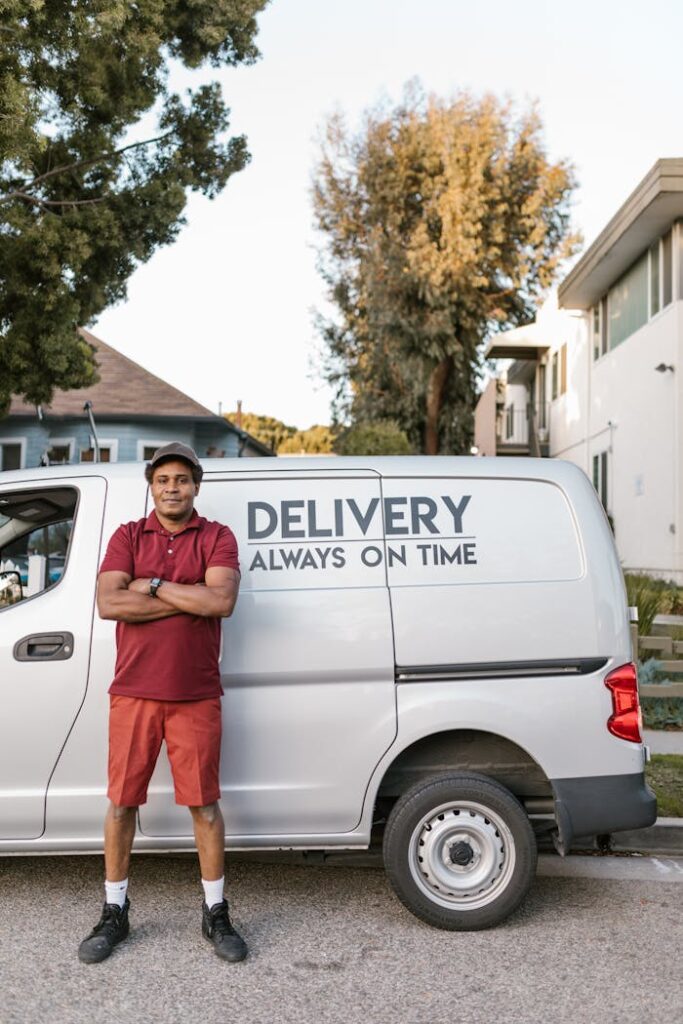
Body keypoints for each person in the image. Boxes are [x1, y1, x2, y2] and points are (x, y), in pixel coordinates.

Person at [78, 442, 246, 965]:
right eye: (162, 479)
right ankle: (114, 911)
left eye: (181, 479)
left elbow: (220, 601)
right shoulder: (128, 535)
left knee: (205, 806)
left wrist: (149, 587)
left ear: (197, 485)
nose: (172, 487)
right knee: (122, 803)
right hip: (133, 693)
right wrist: (183, 595)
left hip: (196, 694)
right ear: (151, 486)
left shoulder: (218, 537)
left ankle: (216, 912)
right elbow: (109, 602)